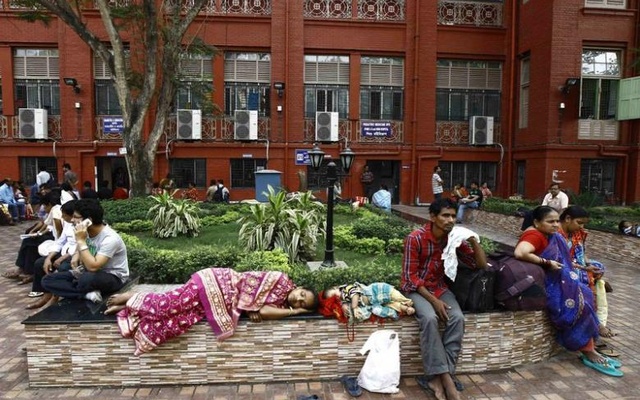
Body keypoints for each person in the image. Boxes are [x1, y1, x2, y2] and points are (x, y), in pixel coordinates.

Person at [104, 268, 318, 356]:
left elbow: (262, 310)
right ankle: (130, 297)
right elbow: (261, 308)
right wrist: (256, 308)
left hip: (219, 303)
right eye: (302, 294)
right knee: (169, 304)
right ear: (299, 286)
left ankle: (129, 306)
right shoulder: (280, 280)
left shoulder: (280, 305)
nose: (297, 300)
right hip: (217, 284)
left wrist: (277, 311)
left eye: (302, 305)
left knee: (177, 320)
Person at [514, 206, 622, 377]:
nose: (556, 225)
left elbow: (567, 261)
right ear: (536, 222)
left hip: (559, 278)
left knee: (585, 293)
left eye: (557, 220)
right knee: (576, 305)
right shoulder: (534, 234)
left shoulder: (551, 235)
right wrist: (546, 262)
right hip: (547, 282)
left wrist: (582, 267)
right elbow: (520, 252)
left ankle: (591, 342)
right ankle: (588, 350)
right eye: (550, 221)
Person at [401, 198, 487, 399]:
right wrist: (433, 301)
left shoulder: (453, 238)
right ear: (433, 217)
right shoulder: (416, 238)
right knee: (429, 319)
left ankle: (438, 377)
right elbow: (410, 277)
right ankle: (448, 380)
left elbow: (480, 265)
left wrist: (473, 239)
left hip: (439, 288)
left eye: (452, 216)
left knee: (457, 318)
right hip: (416, 289)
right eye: (445, 215)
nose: (450, 220)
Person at [41, 199, 130, 305]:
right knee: (47, 280)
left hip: (113, 276)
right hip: (87, 272)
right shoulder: (85, 231)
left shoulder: (110, 238)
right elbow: (82, 250)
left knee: (86, 279)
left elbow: (94, 266)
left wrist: (81, 241)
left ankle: (81, 289)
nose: (72, 220)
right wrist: (76, 254)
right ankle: (86, 294)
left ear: (88, 220)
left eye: (75, 217)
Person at [559, 206, 614, 340]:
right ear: (567, 219)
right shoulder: (557, 235)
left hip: (576, 264)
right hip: (560, 267)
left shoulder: (577, 233)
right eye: (579, 222)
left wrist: (588, 264)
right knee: (582, 275)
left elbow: (582, 255)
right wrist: (585, 269)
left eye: (583, 223)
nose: (582, 226)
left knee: (598, 266)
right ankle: (596, 323)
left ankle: (597, 319)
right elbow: (561, 260)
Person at [26, 200, 77, 306]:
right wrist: (49, 257)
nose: (62, 218)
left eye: (64, 216)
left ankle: (55, 296)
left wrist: (62, 258)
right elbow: (60, 241)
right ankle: (46, 294)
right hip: (64, 251)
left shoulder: (83, 225)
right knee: (40, 263)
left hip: (74, 254)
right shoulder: (68, 224)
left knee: (63, 267)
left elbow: (79, 247)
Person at [319, 282, 415, 324]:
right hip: (374, 303)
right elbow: (345, 304)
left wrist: (355, 307)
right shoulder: (343, 298)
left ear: (337, 288)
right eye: (334, 298)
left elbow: (355, 294)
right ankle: (406, 309)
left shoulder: (346, 289)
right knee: (390, 306)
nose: (337, 297)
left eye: (335, 294)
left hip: (377, 291)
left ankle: (408, 302)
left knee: (394, 295)